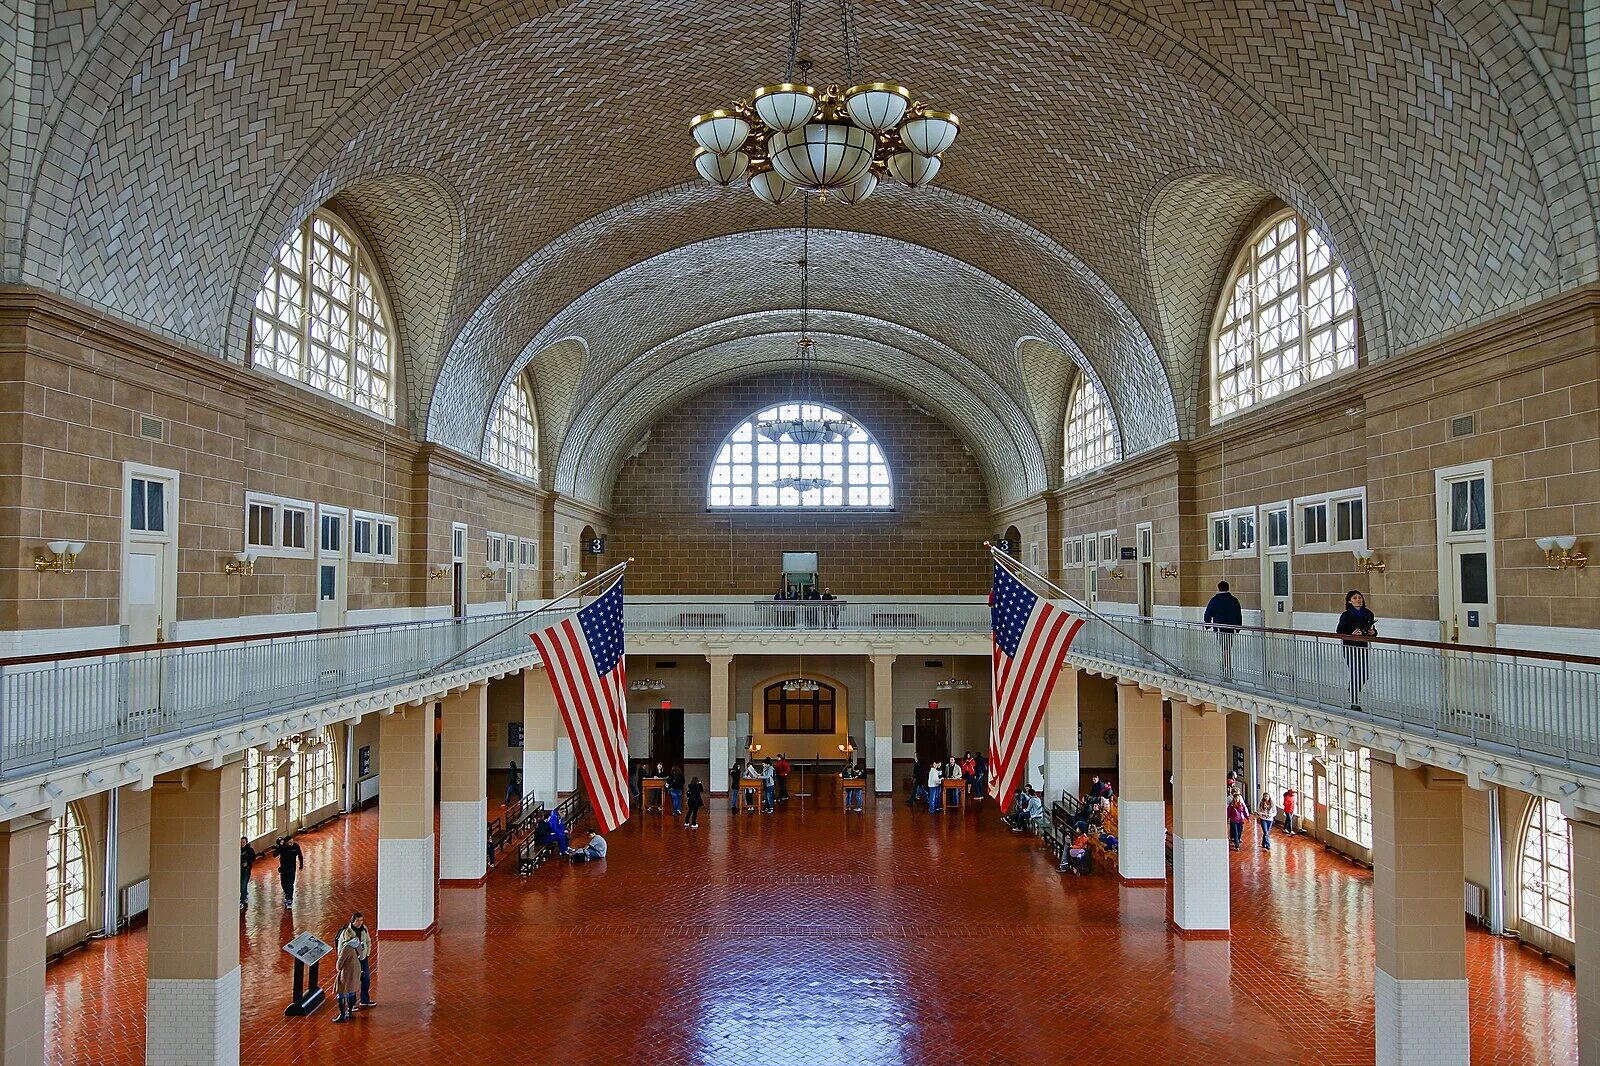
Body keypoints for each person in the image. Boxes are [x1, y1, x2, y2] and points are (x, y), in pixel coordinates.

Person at [1336, 590, 1378, 712]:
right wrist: (1351, 633)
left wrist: (1373, 632)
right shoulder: (1346, 615)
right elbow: (1340, 631)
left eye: (1360, 597)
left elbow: (1372, 630)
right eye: (1355, 598)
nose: (1358, 599)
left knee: (1364, 674)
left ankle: (1352, 690)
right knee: (1355, 672)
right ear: (1349, 601)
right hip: (1350, 647)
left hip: (1362, 646)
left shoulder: (1368, 613)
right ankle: (1354, 701)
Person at [336, 911, 376, 1010]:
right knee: (352, 981)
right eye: (358, 921)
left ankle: (364, 1000)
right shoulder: (347, 932)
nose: (360, 923)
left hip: (363, 958)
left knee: (366, 979)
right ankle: (352, 1004)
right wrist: (343, 958)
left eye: (362, 920)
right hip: (352, 961)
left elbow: (368, 941)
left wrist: (367, 953)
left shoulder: (364, 929)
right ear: (353, 921)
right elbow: (341, 947)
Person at [1203, 580, 1244, 678]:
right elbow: (1238, 614)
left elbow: (1208, 613)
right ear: (1228, 588)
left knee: (1224, 647)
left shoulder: (1214, 600)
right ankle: (1227, 665)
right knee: (1227, 646)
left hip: (1219, 627)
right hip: (1230, 627)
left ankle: (1226, 666)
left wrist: (1207, 624)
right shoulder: (1233, 600)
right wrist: (1238, 627)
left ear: (1218, 588)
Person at [332, 937, 361, 1023]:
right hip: (354, 971)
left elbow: (339, 965)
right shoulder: (356, 945)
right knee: (351, 992)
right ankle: (350, 1012)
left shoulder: (346, 948)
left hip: (346, 974)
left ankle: (342, 1014)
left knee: (340, 992)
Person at [273, 833, 304, 909]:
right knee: (284, 884)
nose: (291, 843)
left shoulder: (295, 846)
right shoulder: (282, 848)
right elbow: (274, 854)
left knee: (290, 884)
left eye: (292, 842)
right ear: (286, 842)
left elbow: (300, 855)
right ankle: (287, 895)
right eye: (290, 842)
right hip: (283, 869)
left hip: (292, 869)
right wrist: (280, 846)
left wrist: (301, 864)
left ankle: (289, 899)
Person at [240, 836, 256, 911]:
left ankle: (242, 900)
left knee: (243, 884)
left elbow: (253, 858)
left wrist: (247, 863)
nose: (242, 844)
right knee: (240, 885)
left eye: (243, 842)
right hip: (239, 870)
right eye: (241, 842)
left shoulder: (250, 850)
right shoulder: (238, 850)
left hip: (246, 870)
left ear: (246, 842)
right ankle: (244, 894)